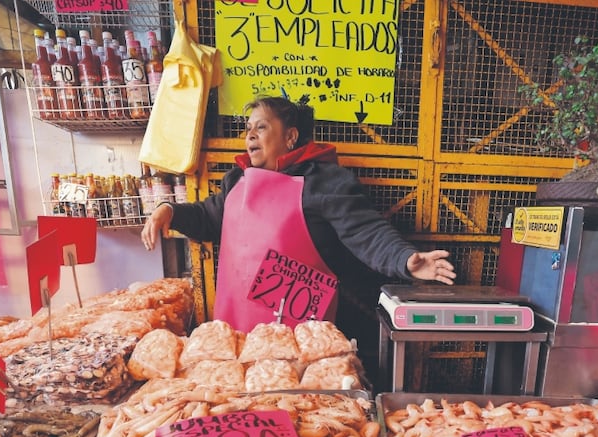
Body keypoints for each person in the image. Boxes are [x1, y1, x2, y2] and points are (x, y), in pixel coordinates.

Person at [141, 96, 456, 337]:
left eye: (261, 127)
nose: (250, 135)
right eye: (248, 128)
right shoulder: (236, 181)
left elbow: (367, 232)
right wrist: (170, 210)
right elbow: (208, 217)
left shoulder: (323, 181)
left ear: (290, 137)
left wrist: (405, 259)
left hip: (304, 335)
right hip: (239, 328)